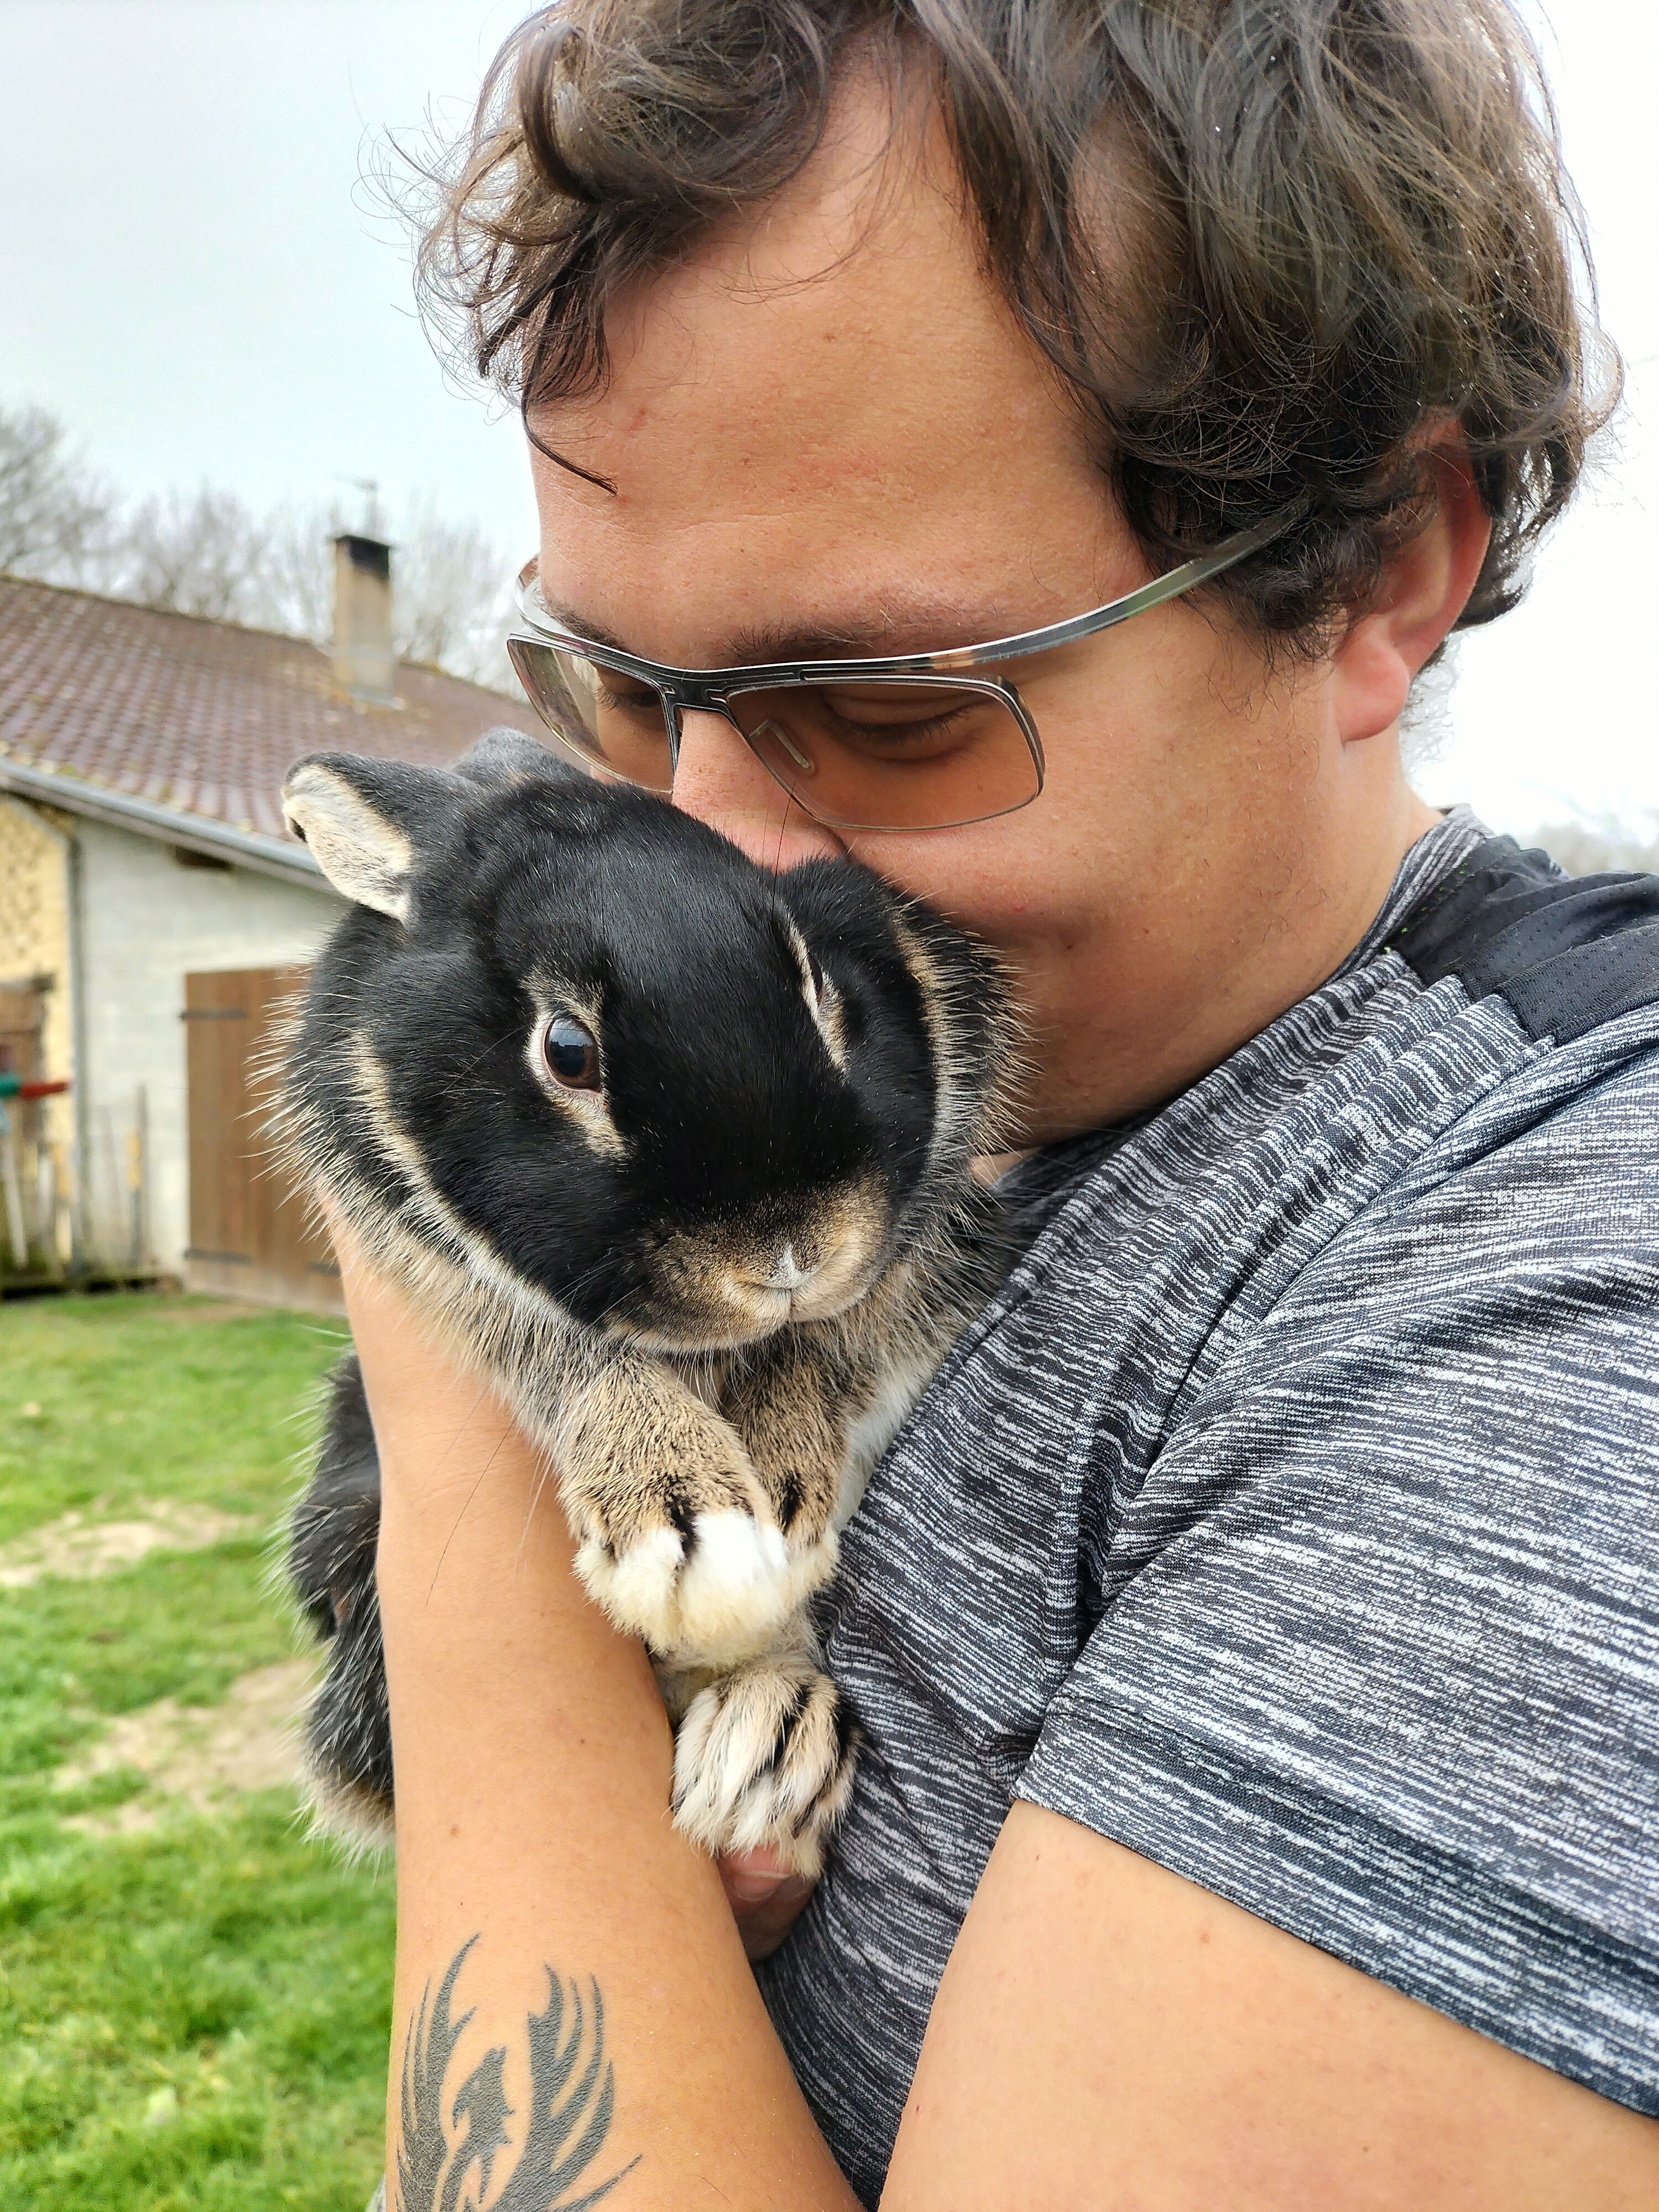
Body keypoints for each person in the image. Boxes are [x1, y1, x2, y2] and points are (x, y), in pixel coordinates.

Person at [346, 4, 1659, 2205]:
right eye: (629, 694)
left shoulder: (1564, 1334)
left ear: (1380, 569)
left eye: (879, 708)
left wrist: (486, 1386)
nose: (710, 851)